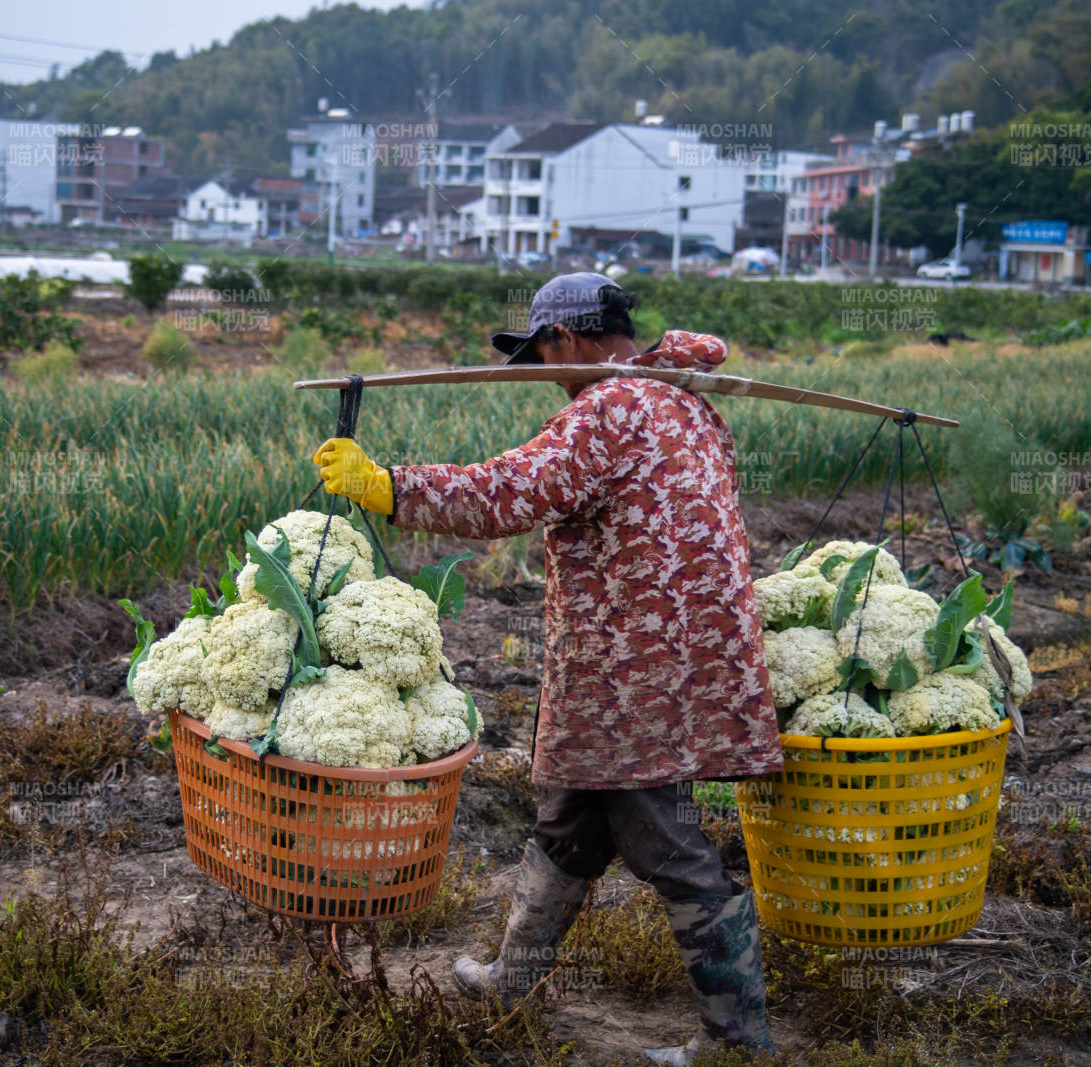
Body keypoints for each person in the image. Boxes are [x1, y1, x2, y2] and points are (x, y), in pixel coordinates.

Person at [313, 271, 782, 1065]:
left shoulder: (608, 408)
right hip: (667, 659)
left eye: (545, 350)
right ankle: (510, 978)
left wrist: (387, 485)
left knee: (667, 842)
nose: (549, 367)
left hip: (638, 672)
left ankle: (737, 1042)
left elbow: (508, 493)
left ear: (568, 337)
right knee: (568, 821)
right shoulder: (686, 400)